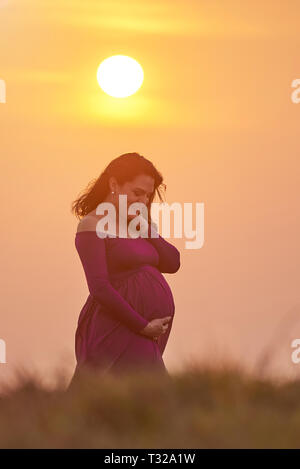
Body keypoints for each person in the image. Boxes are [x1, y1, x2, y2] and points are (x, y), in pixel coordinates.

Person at [68, 152, 180, 387]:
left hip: (144, 332)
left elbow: (172, 263)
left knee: (133, 401)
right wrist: (143, 325)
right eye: (137, 193)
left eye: (148, 196)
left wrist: (146, 228)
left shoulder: (137, 225)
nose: (143, 201)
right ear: (114, 184)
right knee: (150, 393)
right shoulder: (91, 225)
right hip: (118, 326)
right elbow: (99, 287)